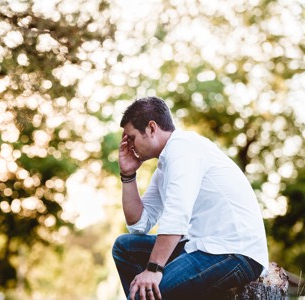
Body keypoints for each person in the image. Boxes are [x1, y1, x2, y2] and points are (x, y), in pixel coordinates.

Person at [112, 96, 268, 300]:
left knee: (145, 296)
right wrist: (128, 175)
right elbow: (140, 224)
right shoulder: (165, 165)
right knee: (125, 247)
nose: (129, 146)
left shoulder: (183, 147)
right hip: (201, 246)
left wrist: (153, 269)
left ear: (151, 128)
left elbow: (177, 214)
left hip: (234, 252)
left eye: (131, 137)